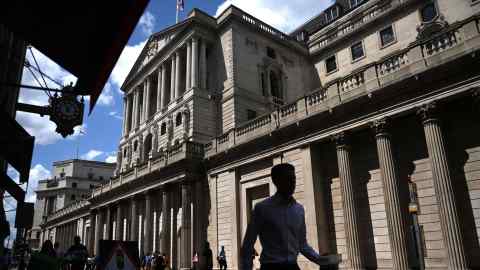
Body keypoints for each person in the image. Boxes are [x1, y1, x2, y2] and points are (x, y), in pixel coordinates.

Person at [240, 163, 341, 270]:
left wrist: (321, 260)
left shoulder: (299, 209)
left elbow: (302, 244)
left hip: (293, 266)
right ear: (276, 181)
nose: (292, 183)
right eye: (287, 179)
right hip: (270, 267)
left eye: (293, 178)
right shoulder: (262, 208)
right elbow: (247, 245)